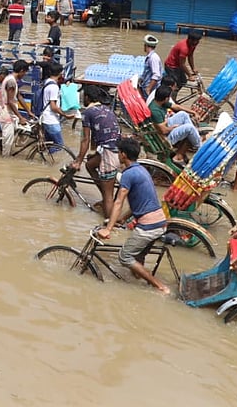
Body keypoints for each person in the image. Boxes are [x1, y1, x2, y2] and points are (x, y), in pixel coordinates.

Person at [98, 138, 173, 295]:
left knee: (124, 257)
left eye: (119, 152)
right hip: (159, 222)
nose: (118, 155)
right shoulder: (141, 170)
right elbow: (139, 201)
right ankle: (139, 282)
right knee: (138, 256)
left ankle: (160, 287)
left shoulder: (128, 174)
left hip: (148, 227)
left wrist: (108, 229)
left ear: (123, 155)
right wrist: (123, 218)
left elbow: (118, 202)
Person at [71, 87, 121, 218]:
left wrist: (78, 161)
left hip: (109, 153)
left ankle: (109, 225)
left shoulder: (88, 112)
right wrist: (93, 154)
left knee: (108, 196)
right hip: (117, 149)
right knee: (90, 165)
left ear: (87, 97)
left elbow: (85, 139)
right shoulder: (106, 109)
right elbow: (97, 135)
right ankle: (105, 195)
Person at [149, 84, 201, 165]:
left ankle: (194, 135)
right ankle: (199, 145)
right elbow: (163, 131)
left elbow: (176, 107)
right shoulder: (155, 111)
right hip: (164, 137)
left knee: (183, 114)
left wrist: (193, 112)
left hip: (165, 125)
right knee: (189, 128)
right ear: (166, 98)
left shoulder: (158, 102)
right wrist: (173, 127)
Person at [0, 59, 30, 157]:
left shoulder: (12, 80)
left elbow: (19, 96)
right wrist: (20, 117)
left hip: (11, 114)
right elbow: (10, 101)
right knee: (7, 144)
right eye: (25, 72)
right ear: (21, 71)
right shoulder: (11, 82)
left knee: (26, 129)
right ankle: (4, 163)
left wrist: (29, 111)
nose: (24, 74)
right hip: (6, 114)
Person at [38, 62, 70, 151]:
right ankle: (52, 161)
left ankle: (46, 161)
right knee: (59, 146)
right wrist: (65, 115)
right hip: (51, 120)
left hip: (45, 118)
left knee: (49, 143)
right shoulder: (54, 87)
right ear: (60, 73)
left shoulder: (47, 82)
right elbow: (53, 106)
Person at [164, 30, 202, 96]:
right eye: (194, 41)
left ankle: (173, 95)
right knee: (175, 84)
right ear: (189, 39)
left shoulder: (192, 45)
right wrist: (189, 75)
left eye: (197, 41)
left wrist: (193, 68)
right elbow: (182, 64)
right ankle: (171, 100)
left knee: (183, 81)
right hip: (171, 66)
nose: (195, 43)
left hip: (178, 65)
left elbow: (190, 56)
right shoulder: (184, 48)